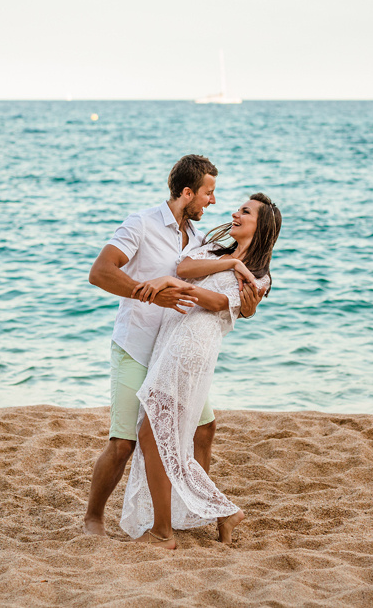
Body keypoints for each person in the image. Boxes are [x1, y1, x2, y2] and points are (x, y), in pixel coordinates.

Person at [82, 155, 265, 537]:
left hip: (175, 354)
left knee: (204, 428)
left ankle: (189, 508)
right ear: (187, 193)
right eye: (208, 193)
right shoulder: (142, 224)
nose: (212, 202)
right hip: (137, 346)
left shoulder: (199, 240)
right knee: (123, 443)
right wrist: (149, 295)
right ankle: (94, 518)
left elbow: (220, 297)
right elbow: (99, 273)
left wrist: (246, 308)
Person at [120, 193, 281, 549]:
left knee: (152, 434)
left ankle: (164, 532)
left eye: (246, 212)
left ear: (262, 225)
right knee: (161, 436)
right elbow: (185, 267)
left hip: (192, 348)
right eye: (239, 208)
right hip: (170, 340)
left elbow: (218, 303)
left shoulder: (261, 277)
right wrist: (229, 265)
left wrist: (176, 286)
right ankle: (221, 513)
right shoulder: (215, 251)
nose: (235, 214)